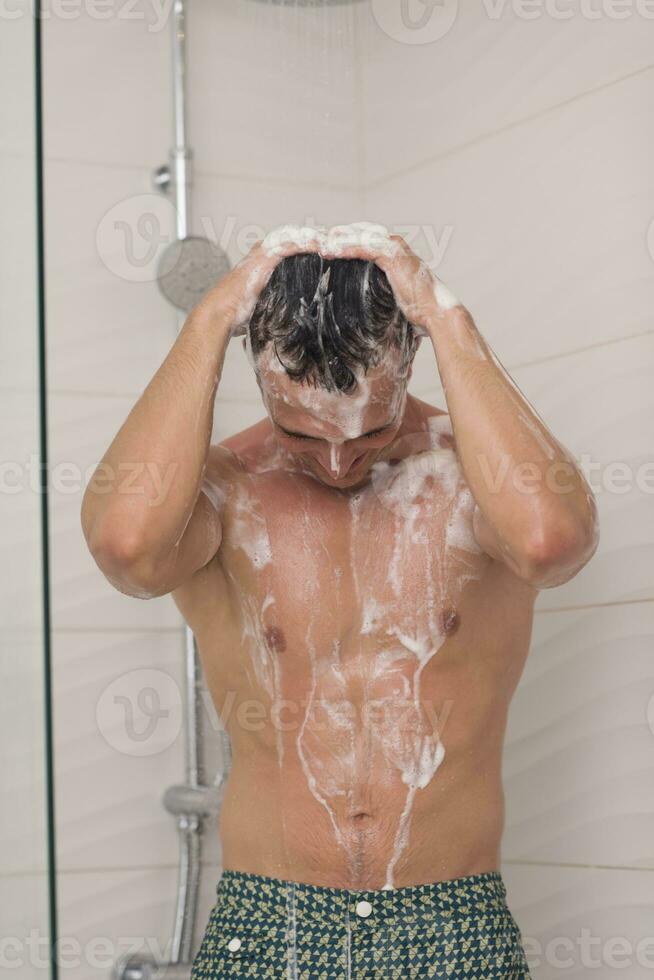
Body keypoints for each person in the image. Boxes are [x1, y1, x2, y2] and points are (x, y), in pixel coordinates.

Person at [82, 223, 599, 978]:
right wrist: (209, 323)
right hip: (268, 918)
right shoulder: (226, 492)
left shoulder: (470, 481)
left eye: (372, 430)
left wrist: (446, 316)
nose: (336, 460)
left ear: (413, 361)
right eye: (299, 432)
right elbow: (127, 549)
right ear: (258, 382)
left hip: (449, 920)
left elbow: (552, 542)